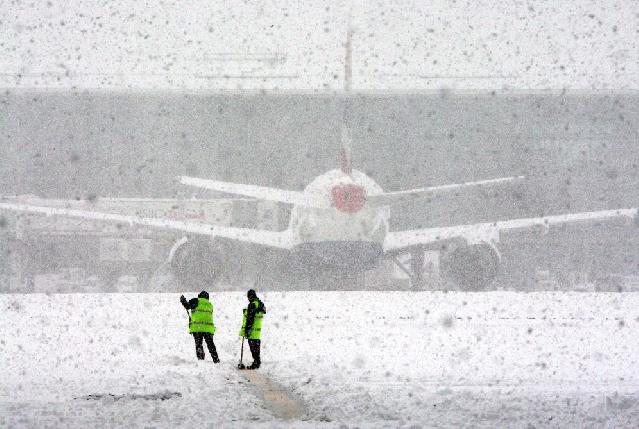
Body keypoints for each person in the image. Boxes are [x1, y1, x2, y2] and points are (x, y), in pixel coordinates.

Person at [180, 291, 220, 363]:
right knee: (211, 345)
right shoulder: (210, 305)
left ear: (199, 296)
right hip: (208, 328)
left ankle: (201, 360)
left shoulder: (195, 301)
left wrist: (183, 300)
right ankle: (216, 360)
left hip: (197, 328)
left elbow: (187, 306)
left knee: (199, 344)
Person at [239, 289, 266, 369]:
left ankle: (256, 363)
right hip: (257, 331)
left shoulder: (252, 305)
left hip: (252, 331)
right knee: (256, 348)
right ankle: (257, 362)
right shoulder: (260, 304)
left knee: (253, 348)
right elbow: (260, 312)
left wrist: (247, 330)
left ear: (250, 296)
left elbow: (250, 319)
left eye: (248, 297)